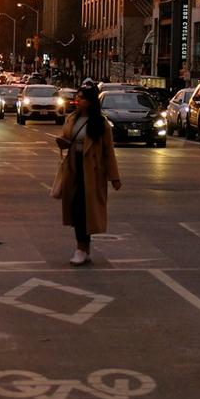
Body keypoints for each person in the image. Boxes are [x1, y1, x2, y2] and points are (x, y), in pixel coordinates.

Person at [55, 81, 121, 266]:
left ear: (90, 101)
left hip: (92, 172)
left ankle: (82, 249)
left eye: (81, 97)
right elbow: (67, 138)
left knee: (87, 210)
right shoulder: (71, 118)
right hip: (74, 168)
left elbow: (109, 152)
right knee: (76, 208)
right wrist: (63, 143)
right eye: (77, 96)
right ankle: (82, 246)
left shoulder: (101, 124)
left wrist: (114, 177)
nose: (77, 99)